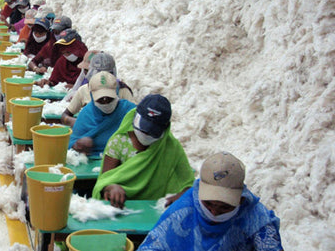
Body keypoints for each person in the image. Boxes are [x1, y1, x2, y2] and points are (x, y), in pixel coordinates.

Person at [138, 152, 284, 251]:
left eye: (224, 207)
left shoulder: (256, 219)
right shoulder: (182, 211)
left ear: (241, 199)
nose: (214, 212)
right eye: (208, 204)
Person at [92, 94, 195, 209]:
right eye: (144, 129)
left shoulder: (171, 147)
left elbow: (189, 185)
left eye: (152, 132)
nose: (146, 134)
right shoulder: (119, 142)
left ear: (165, 128)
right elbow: (104, 181)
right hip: (121, 207)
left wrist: (180, 196)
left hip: (153, 211)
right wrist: (111, 187)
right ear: (136, 117)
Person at [68, 71, 136, 159]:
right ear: (92, 96)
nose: (105, 103)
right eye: (100, 100)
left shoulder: (129, 111)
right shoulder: (86, 114)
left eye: (109, 99)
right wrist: (78, 144)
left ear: (116, 93)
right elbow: (70, 143)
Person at [61, 51, 134, 127]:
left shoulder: (122, 90)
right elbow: (65, 115)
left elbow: (133, 116)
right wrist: (78, 122)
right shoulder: (84, 90)